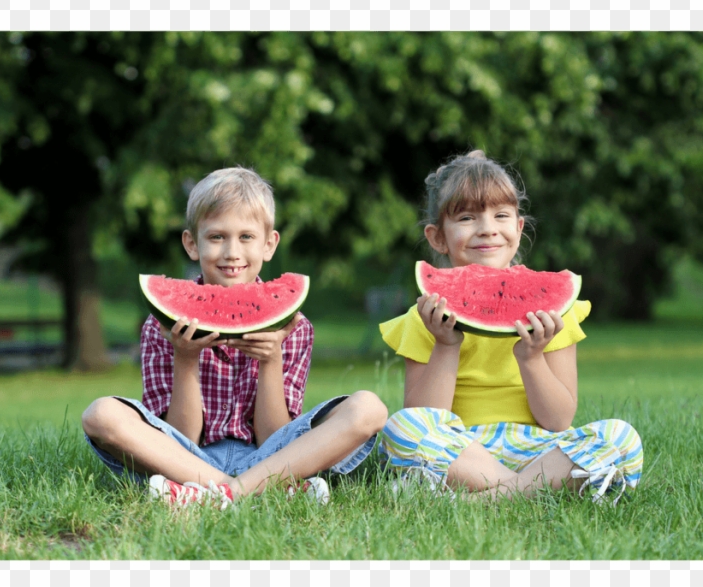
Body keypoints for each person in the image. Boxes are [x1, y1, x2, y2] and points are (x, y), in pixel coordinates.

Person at [82, 167, 388, 508]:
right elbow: (178, 439)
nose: (231, 252)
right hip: (187, 459)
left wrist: (271, 359)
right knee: (101, 414)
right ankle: (262, 490)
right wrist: (185, 359)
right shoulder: (162, 327)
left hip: (268, 456)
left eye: (246, 237)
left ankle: (215, 493)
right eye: (216, 237)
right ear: (191, 244)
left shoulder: (293, 327)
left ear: (269, 244)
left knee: (368, 409)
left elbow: (275, 438)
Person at [378, 150, 643, 505]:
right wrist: (445, 345)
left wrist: (532, 358)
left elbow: (559, 420)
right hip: (462, 451)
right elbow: (426, 415)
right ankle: (530, 491)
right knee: (401, 428)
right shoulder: (427, 314)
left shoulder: (554, 312)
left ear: (518, 228)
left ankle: (483, 500)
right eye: (467, 218)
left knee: (620, 437)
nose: (487, 228)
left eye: (501, 215)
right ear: (437, 237)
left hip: (538, 448)